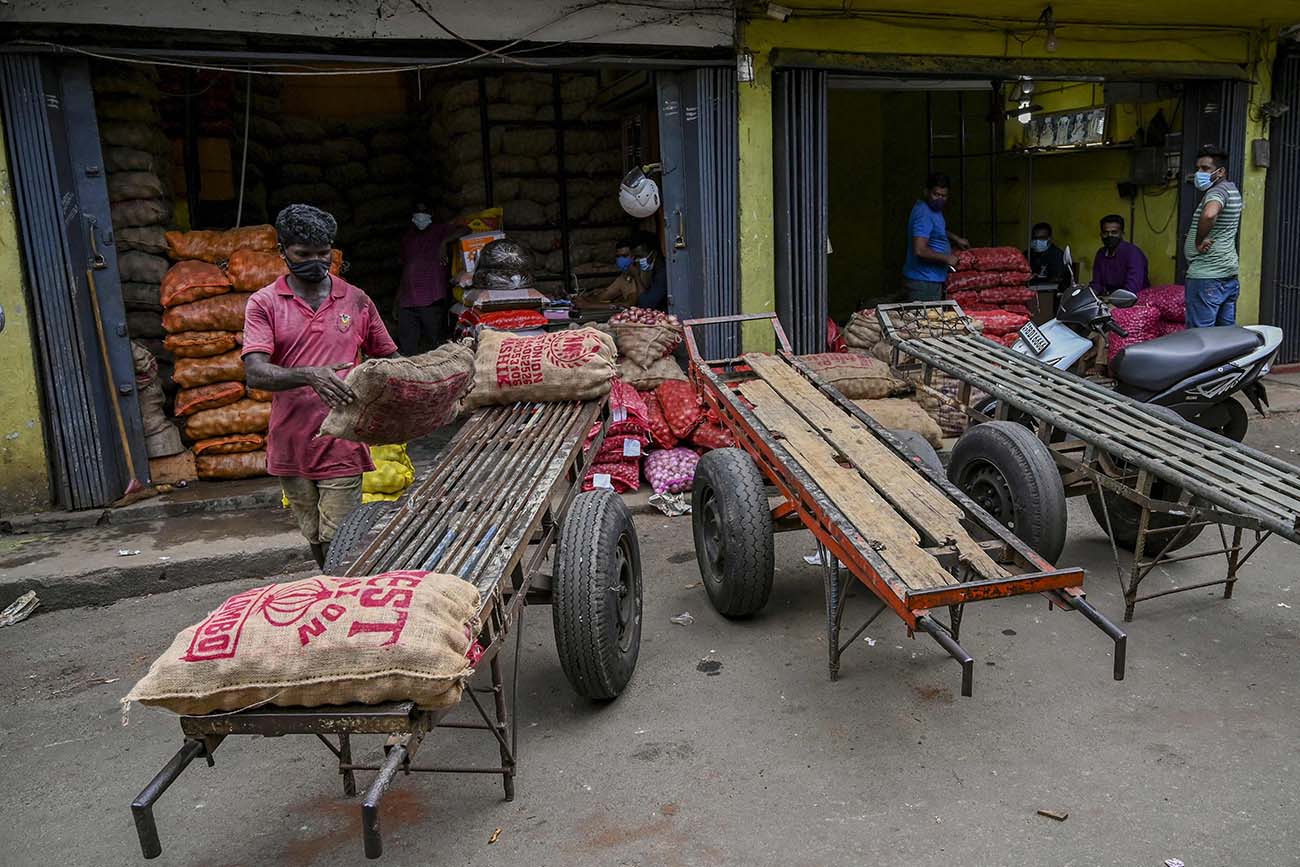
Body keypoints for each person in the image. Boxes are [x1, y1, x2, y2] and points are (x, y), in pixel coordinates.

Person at [243, 204, 400, 568]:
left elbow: (389, 359)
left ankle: (343, 601)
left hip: (341, 438)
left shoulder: (356, 299)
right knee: (313, 533)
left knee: (342, 537)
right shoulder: (264, 303)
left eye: (323, 254)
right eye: (303, 254)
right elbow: (255, 371)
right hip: (291, 441)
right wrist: (310, 374)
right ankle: (332, 591)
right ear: (282, 252)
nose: (316, 262)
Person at [1183, 145, 1243, 327]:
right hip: (1228, 274)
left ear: (1221, 171)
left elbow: (1209, 214)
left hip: (1206, 277)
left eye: (1205, 169)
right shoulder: (1232, 190)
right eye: (1198, 168)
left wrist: (1199, 241)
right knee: (1224, 338)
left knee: (1200, 338)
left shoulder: (1216, 192)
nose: (1199, 173)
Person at [396, 204, 467, 355]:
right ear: (412, 217)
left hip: (431, 298)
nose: (421, 216)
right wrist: (397, 301)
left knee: (435, 345)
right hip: (407, 300)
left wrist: (444, 243)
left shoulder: (440, 230)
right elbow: (405, 269)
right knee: (407, 347)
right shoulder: (408, 237)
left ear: (432, 215)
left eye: (425, 212)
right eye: (418, 212)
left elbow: (465, 229)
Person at [902, 172, 970, 302]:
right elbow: (920, 250)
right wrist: (947, 258)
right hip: (923, 282)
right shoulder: (923, 214)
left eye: (943, 196)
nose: (939, 199)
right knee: (926, 321)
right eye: (936, 194)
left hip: (930, 280)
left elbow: (936, 231)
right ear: (926, 192)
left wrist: (955, 238)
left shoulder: (934, 211)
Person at [1089, 214, 1149, 295]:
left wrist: (1110, 299)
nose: (1109, 236)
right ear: (1101, 234)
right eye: (1105, 233)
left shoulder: (1133, 253)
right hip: (1108, 298)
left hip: (1136, 300)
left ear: (1122, 234)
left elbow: (1132, 289)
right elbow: (1096, 284)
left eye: (1114, 232)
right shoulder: (1101, 254)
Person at [631, 231, 668, 311]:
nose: (637, 260)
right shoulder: (656, 270)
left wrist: (636, 276)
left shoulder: (662, 273)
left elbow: (646, 304)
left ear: (653, 253)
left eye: (639, 256)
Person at [1028, 221, 1073, 287]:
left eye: (1041, 238)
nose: (1037, 241)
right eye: (1035, 238)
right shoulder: (1028, 253)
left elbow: (1056, 279)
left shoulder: (1057, 256)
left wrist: (1035, 279)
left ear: (1049, 238)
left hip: (1051, 292)